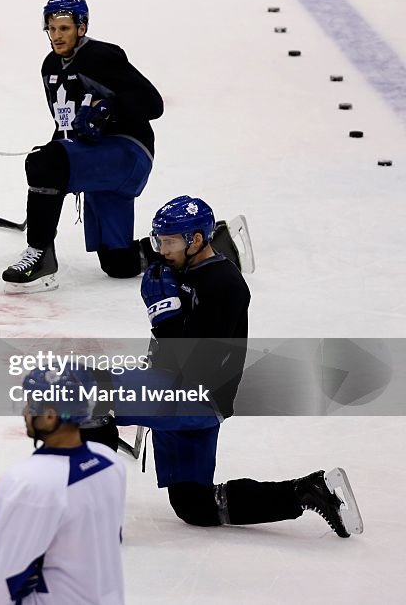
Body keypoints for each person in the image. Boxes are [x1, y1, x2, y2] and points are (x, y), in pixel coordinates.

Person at [118, 195, 363, 536]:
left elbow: (192, 363)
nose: (161, 249)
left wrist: (162, 318)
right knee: (194, 505)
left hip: (192, 398)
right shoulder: (182, 267)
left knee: (85, 401)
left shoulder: (224, 286)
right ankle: (308, 490)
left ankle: (92, 516)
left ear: (197, 240)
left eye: (170, 241)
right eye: (159, 240)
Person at [0, 369, 126, 604]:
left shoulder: (33, 482)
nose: (26, 412)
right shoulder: (110, 462)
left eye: (31, 405)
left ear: (49, 416)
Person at [2, 0, 163, 293]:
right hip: (97, 158)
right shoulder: (50, 66)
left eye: (64, 28)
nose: (57, 35)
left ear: (82, 27)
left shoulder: (102, 56)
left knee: (47, 163)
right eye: (52, 28)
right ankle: (201, 241)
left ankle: (40, 258)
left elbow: (153, 105)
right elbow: (64, 125)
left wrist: (109, 108)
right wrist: (48, 178)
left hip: (127, 152)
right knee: (118, 264)